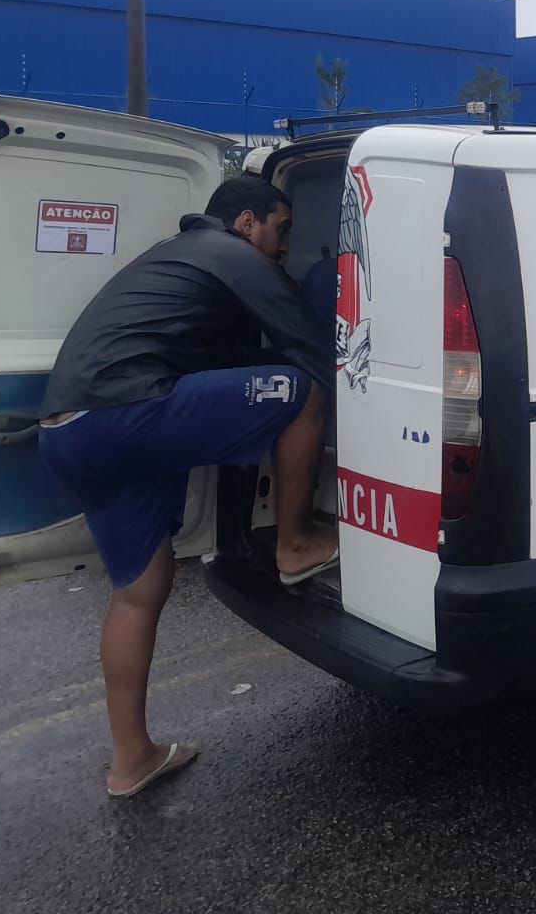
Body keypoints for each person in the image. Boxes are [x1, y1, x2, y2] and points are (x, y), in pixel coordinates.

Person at [37, 176, 336, 798]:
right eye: (281, 229)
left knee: (140, 590)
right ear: (247, 222)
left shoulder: (174, 255)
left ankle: (132, 759)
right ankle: (295, 544)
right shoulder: (232, 254)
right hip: (128, 414)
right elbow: (309, 348)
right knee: (302, 391)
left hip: (68, 430)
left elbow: (220, 360)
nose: (284, 246)